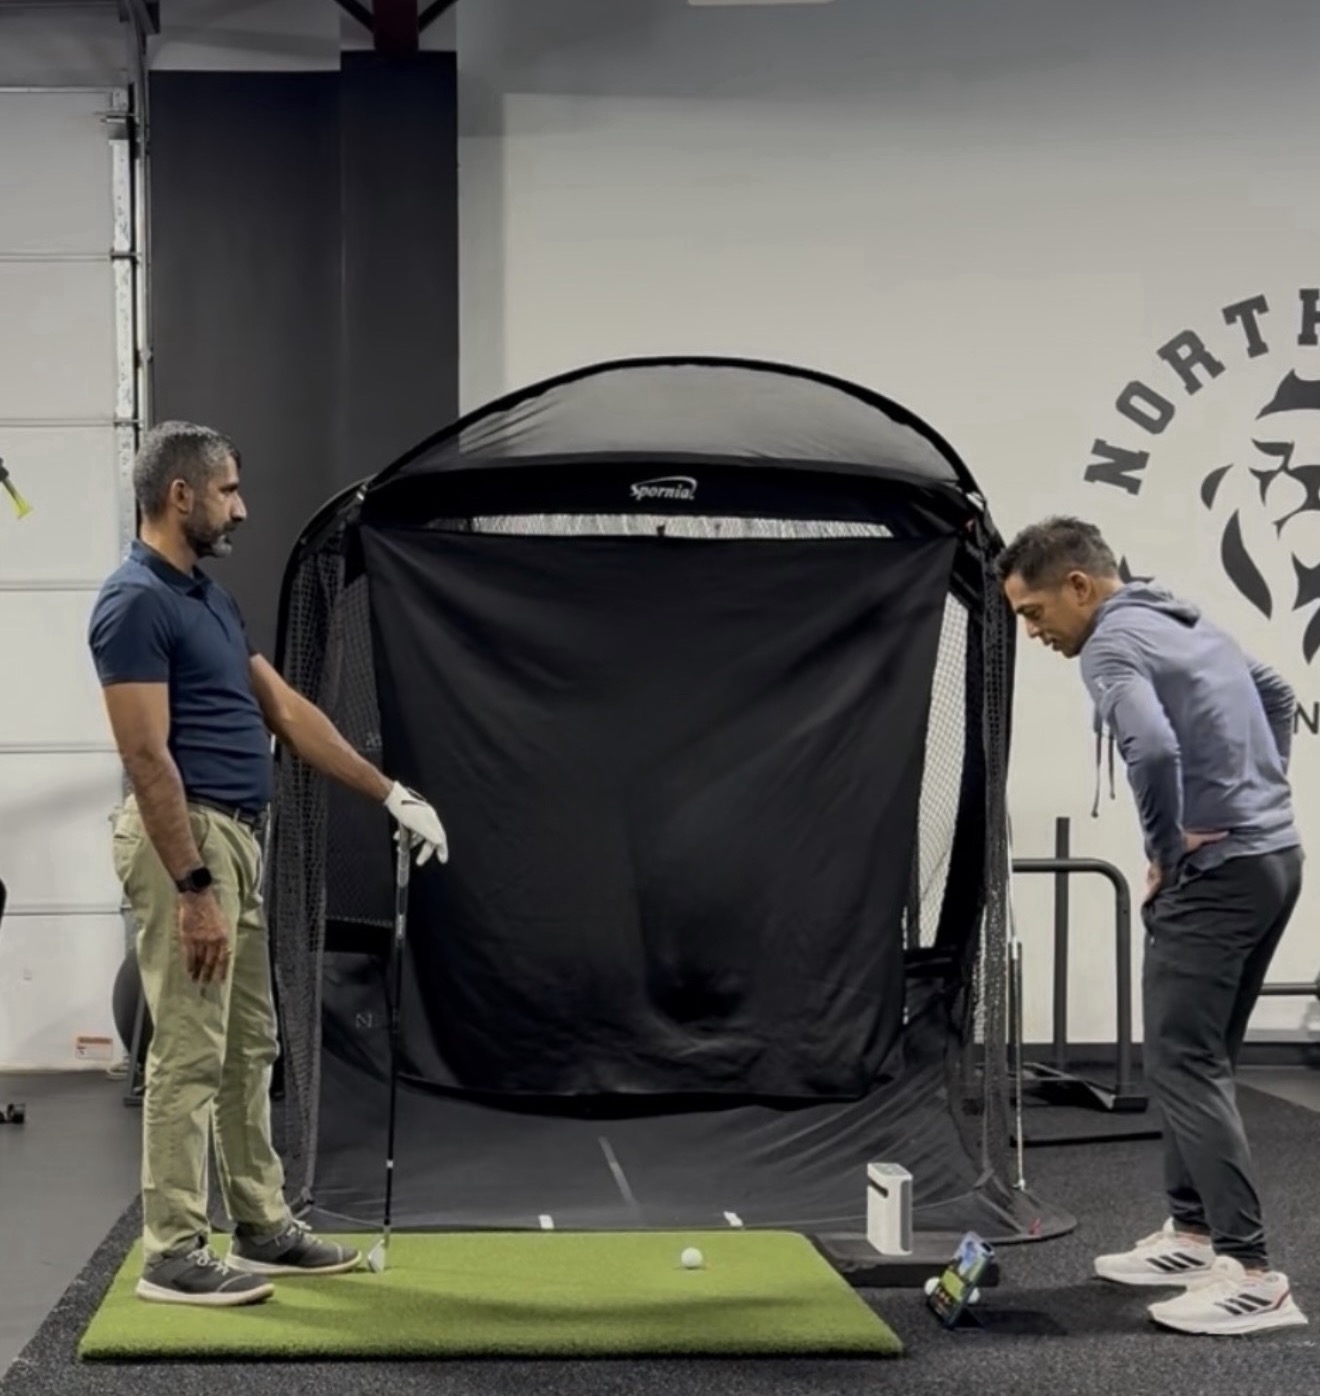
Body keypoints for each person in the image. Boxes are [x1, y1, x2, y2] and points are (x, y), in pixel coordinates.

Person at [88, 421, 449, 1308]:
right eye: (228, 491)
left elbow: (286, 710)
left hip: (238, 840)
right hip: (189, 846)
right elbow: (146, 757)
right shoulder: (133, 602)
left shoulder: (206, 598)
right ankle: (173, 1249)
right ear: (181, 494)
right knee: (188, 1049)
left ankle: (260, 1221)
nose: (240, 507)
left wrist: (389, 791)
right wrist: (194, 886)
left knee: (251, 1043)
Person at [997, 515, 1308, 1337]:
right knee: (1198, 1061)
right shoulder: (1184, 616)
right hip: (1274, 860)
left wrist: (1168, 850)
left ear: (1079, 587)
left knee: (1184, 1063)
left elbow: (1156, 750)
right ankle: (1194, 1232)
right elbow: (1278, 693)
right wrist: (1256, 797)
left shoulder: (1108, 644)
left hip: (1216, 877)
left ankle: (1250, 1273)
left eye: (1033, 614)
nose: (1033, 633)